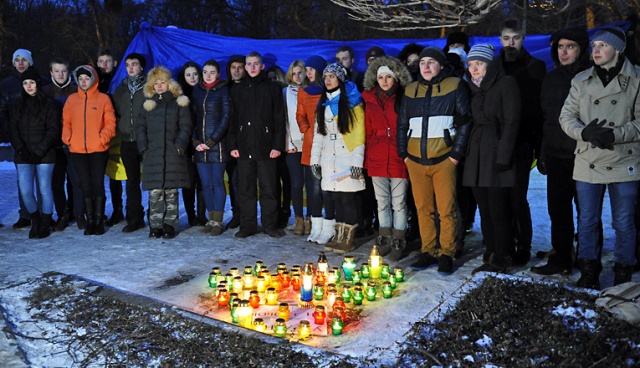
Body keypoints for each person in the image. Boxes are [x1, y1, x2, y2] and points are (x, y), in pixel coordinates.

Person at [560, 27, 640, 288]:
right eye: (594, 45)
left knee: (624, 221)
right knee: (587, 220)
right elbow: (566, 117)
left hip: (624, 158)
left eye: (602, 46)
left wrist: (614, 135)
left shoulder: (637, 79)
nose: (595, 50)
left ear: (617, 49)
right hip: (588, 158)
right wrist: (584, 132)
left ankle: (623, 273)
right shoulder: (581, 80)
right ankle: (589, 271)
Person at [396, 47, 472, 275]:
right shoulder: (410, 90)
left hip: (444, 159)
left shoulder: (455, 86)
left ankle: (447, 253)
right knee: (422, 208)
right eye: (422, 63)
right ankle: (428, 250)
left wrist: (455, 155)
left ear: (440, 65)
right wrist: (404, 154)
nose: (426, 66)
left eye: (431, 62)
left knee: (446, 209)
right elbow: (402, 124)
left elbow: (465, 122)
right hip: (416, 160)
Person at [530, 27, 592, 276]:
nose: (564, 52)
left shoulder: (591, 77)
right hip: (557, 155)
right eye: (560, 47)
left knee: (588, 212)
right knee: (558, 210)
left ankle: (589, 259)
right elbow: (546, 118)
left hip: (585, 155)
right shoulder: (551, 78)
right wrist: (543, 151)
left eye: (571, 46)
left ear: (582, 49)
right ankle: (561, 256)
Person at [463, 44, 521, 274]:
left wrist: (504, 155)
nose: (474, 69)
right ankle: (491, 251)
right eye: (470, 64)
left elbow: (512, 121)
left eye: (479, 64)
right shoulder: (472, 87)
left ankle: (502, 255)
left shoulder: (506, 83)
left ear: (490, 64)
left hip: (496, 152)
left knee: (499, 208)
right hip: (476, 153)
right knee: (484, 209)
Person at [498, 18, 547, 266]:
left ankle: (523, 245)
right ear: (500, 39)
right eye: (506, 38)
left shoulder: (535, 67)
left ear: (523, 38)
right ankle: (504, 243)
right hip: (496, 144)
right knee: (501, 198)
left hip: (523, 144)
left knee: (517, 198)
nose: (511, 43)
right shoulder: (494, 67)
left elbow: (540, 111)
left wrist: (538, 146)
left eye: (515, 38)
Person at [228, 51, 286, 238]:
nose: (252, 67)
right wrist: (233, 145)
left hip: (267, 147)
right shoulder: (237, 90)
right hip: (244, 148)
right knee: (246, 189)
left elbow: (279, 119)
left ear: (262, 66)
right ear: (245, 67)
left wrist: (277, 145)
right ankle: (248, 225)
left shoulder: (272, 88)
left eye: (256, 64)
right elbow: (233, 120)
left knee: (269, 188)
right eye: (249, 64)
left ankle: (270, 224)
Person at [310, 63, 365, 254]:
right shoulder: (323, 102)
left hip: (346, 156)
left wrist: (357, 162)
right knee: (334, 198)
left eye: (332, 76)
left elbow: (359, 135)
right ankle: (338, 234)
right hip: (328, 157)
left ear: (340, 79)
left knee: (346, 198)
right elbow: (319, 134)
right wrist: (314, 160)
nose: (328, 80)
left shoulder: (352, 102)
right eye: (325, 77)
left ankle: (348, 237)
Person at [362, 56, 412, 261]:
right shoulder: (370, 100)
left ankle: (399, 239)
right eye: (380, 77)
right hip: (377, 155)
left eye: (388, 77)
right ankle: (384, 237)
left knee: (399, 202)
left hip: (398, 154)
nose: (384, 81)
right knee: (381, 202)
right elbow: (367, 130)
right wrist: (366, 160)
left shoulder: (403, 98)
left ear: (396, 78)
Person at [137, 66, 193, 239]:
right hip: (153, 154)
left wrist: (179, 145)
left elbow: (186, 126)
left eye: (163, 82)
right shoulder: (147, 105)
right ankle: (155, 226)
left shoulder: (179, 102)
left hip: (172, 153)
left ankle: (170, 225)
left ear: (169, 83)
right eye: (156, 83)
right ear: (151, 86)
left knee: (171, 193)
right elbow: (140, 127)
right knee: (155, 193)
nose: (160, 86)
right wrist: (143, 147)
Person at [62, 65, 116, 236]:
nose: (84, 81)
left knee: (97, 184)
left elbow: (110, 122)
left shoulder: (103, 99)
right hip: (77, 149)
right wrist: (68, 138)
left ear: (93, 79)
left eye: (87, 78)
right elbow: (66, 122)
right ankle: (90, 220)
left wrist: (102, 138)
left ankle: (98, 221)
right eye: (81, 79)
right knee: (85, 185)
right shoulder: (71, 99)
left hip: (99, 149)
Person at [10, 67, 60, 239]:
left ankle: (46, 222)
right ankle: (36, 219)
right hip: (23, 155)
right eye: (25, 83)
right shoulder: (17, 104)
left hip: (45, 154)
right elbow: (13, 130)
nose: (28, 86)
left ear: (38, 84)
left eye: (31, 82)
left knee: (45, 189)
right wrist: (21, 149)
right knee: (25, 191)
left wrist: (39, 152)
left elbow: (53, 130)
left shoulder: (49, 104)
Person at [0, 48, 40, 229]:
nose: (21, 63)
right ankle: (25, 214)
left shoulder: (41, 81)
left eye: (24, 59)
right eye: (17, 60)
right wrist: (10, 134)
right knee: (23, 180)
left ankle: (43, 214)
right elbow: (3, 111)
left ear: (30, 62)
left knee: (42, 180)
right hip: (19, 140)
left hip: (39, 139)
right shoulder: (6, 85)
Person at [191, 59, 230, 236]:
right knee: (206, 185)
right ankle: (211, 218)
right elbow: (191, 117)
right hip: (200, 147)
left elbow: (226, 117)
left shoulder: (223, 90)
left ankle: (219, 220)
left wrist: (213, 140)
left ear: (218, 74)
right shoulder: (196, 91)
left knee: (217, 182)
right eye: (205, 72)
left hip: (217, 146)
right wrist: (195, 141)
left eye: (212, 72)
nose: (208, 75)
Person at [43, 57, 81, 232]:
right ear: (51, 73)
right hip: (53, 145)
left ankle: (77, 212)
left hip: (74, 143)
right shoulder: (45, 92)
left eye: (63, 71)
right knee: (56, 183)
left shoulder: (77, 90)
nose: (60, 74)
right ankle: (63, 214)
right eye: (57, 71)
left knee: (75, 181)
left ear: (69, 72)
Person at [112, 53, 148, 233]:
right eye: (128, 64)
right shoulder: (120, 90)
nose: (131, 67)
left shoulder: (150, 89)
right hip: (127, 141)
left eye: (135, 64)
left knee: (154, 180)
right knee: (132, 181)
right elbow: (118, 113)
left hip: (146, 141)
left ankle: (157, 217)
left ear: (142, 67)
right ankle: (134, 218)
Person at [297, 55, 329, 243]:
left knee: (329, 189)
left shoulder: (329, 89)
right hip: (310, 145)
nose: (308, 73)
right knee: (314, 189)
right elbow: (300, 115)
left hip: (329, 144)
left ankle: (329, 227)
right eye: (306, 69)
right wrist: (306, 130)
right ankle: (315, 226)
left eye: (311, 69)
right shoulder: (303, 91)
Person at [97, 49, 126, 228]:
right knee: (111, 175)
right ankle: (116, 209)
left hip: (121, 132)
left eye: (108, 61)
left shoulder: (121, 79)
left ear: (115, 63)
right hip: (102, 133)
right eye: (101, 61)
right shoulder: (95, 82)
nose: (104, 64)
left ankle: (128, 209)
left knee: (125, 172)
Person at [177, 61, 207, 226]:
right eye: (188, 75)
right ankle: (191, 215)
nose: (192, 77)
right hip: (187, 144)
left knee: (202, 180)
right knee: (189, 181)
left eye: (195, 74)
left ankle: (202, 214)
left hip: (203, 142)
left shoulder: (205, 91)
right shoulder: (179, 96)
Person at [283, 60, 308, 235]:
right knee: (297, 184)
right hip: (293, 145)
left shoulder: (312, 89)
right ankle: (299, 219)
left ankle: (313, 220)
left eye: (300, 72)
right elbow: (284, 119)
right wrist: (288, 143)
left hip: (311, 144)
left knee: (313, 186)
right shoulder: (285, 92)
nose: (297, 76)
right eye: (294, 73)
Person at [224, 54, 246, 230]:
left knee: (245, 180)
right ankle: (236, 213)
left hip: (246, 140)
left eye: (240, 67)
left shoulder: (249, 87)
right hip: (227, 141)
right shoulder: (225, 88)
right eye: (233, 67)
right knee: (233, 180)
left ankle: (246, 214)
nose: (237, 71)